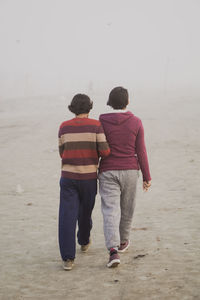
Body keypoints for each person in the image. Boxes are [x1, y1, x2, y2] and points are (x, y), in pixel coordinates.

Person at [98, 86, 151, 268]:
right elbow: (141, 150)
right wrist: (146, 176)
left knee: (110, 210)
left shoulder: (102, 121)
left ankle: (113, 251)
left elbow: (98, 146)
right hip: (130, 171)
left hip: (107, 170)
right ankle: (123, 242)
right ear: (127, 101)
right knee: (127, 208)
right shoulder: (136, 121)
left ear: (110, 102)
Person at [58, 94, 110, 270]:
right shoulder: (96, 126)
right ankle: (84, 240)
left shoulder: (64, 127)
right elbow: (105, 151)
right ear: (90, 107)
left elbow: (61, 151)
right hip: (88, 178)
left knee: (67, 215)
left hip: (68, 177)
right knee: (85, 212)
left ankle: (68, 259)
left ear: (72, 107)